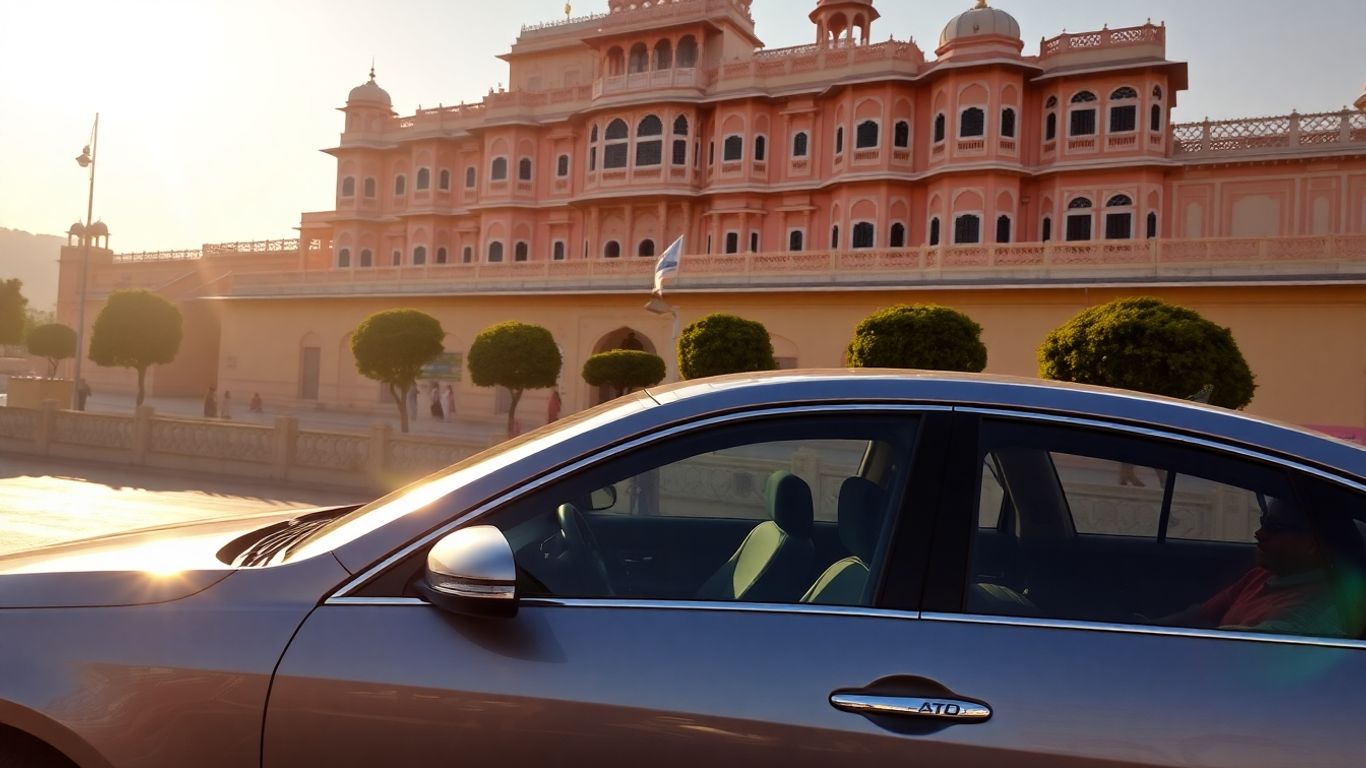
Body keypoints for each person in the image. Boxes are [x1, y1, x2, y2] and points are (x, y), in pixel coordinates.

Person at [1154, 500, 1364, 638]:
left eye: (1273, 528)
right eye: (1262, 522)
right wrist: (1148, 626)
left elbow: (1231, 647)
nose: (1258, 533)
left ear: (1311, 545)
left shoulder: (1312, 610)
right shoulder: (1263, 575)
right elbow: (1201, 615)